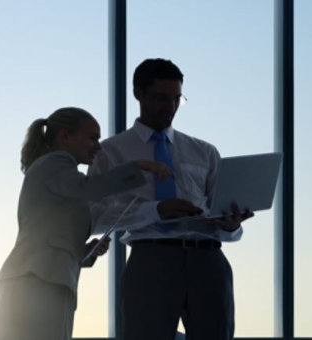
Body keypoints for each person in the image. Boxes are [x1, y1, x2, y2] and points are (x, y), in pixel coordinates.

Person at [91, 58, 254, 340]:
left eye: (177, 99)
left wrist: (231, 225)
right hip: (151, 259)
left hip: (209, 259)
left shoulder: (205, 152)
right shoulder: (110, 153)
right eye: (161, 98)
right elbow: (94, 218)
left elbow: (223, 215)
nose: (170, 107)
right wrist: (156, 211)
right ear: (138, 94)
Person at [0, 107, 170, 340]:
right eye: (92, 138)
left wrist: (85, 252)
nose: (98, 146)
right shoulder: (56, 162)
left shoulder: (56, 174)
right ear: (64, 136)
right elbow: (90, 188)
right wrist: (140, 167)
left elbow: (51, 235)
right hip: (38, 280)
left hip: (40, 279)